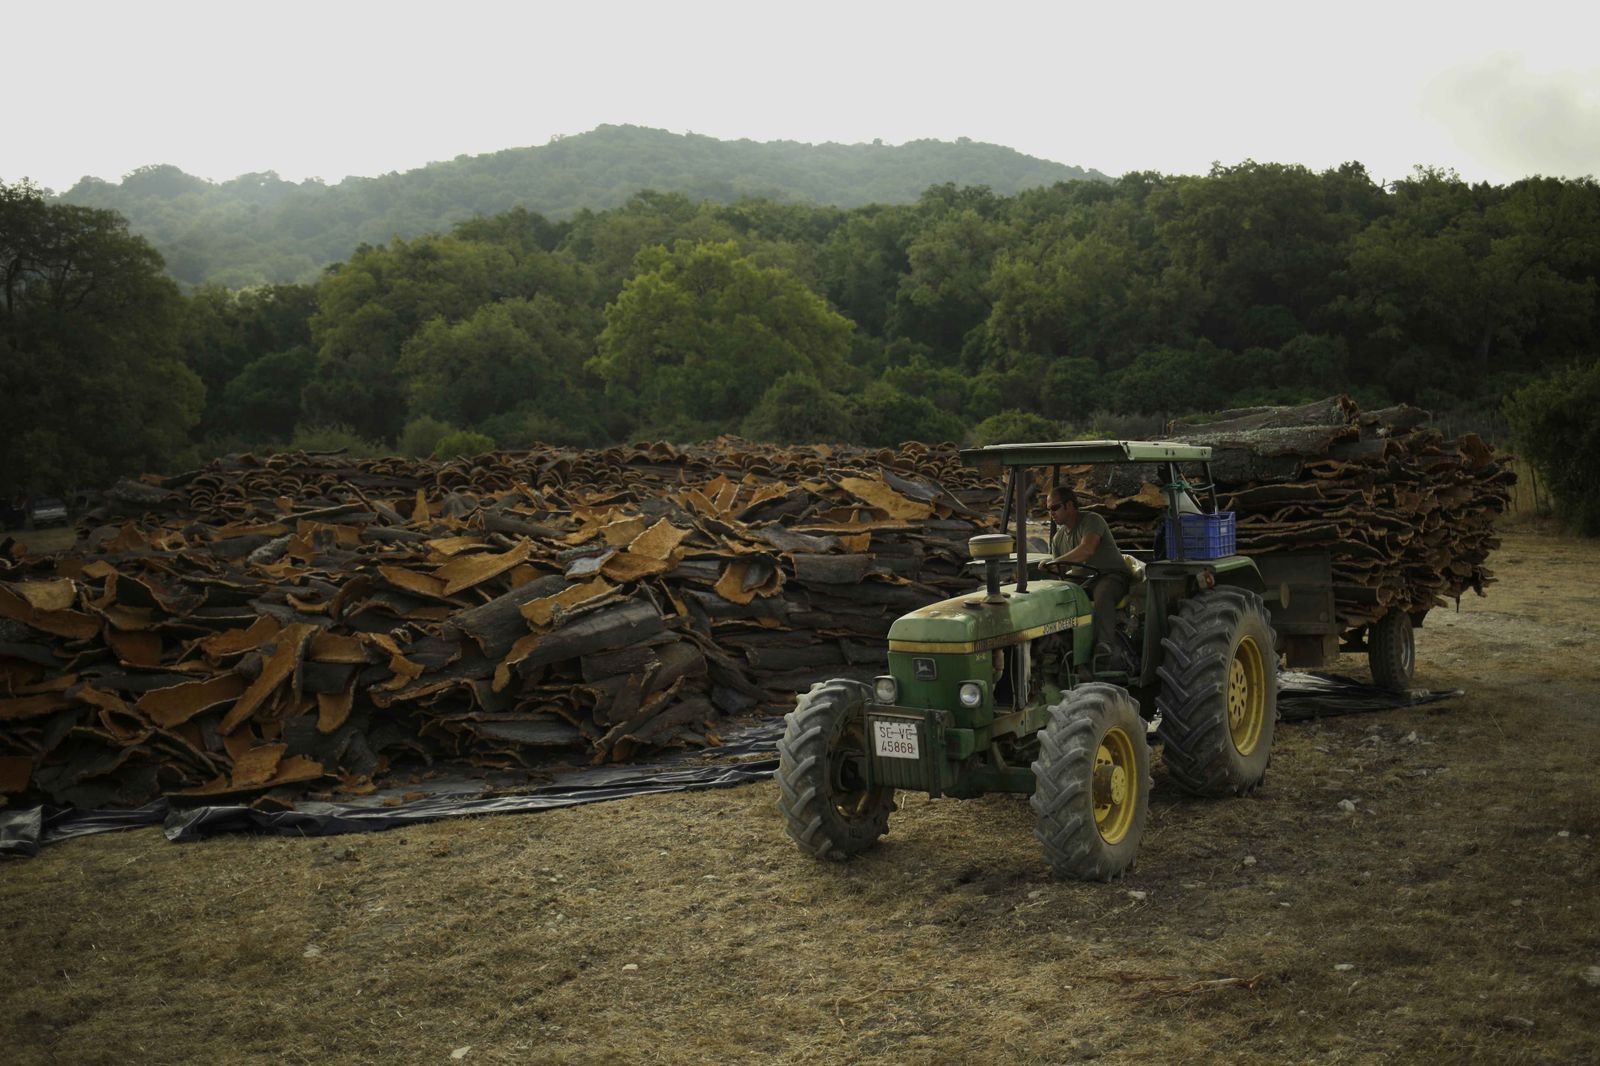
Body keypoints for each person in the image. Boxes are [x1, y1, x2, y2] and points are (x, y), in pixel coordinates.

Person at [1047, 487, 1131, 671]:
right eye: (1049, 510)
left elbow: (1088, 549)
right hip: (1083, 581)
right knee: (1058, 596)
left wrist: (1057, 561)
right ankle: (1061, 647)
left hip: (1111, 575)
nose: (1051, 513)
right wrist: (1052, 567)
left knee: (1103, 593)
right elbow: (1061, 571)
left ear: (1069, 505)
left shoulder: (1092, 521)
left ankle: (1104, 648)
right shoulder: (1058, 538)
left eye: (1055, 507)